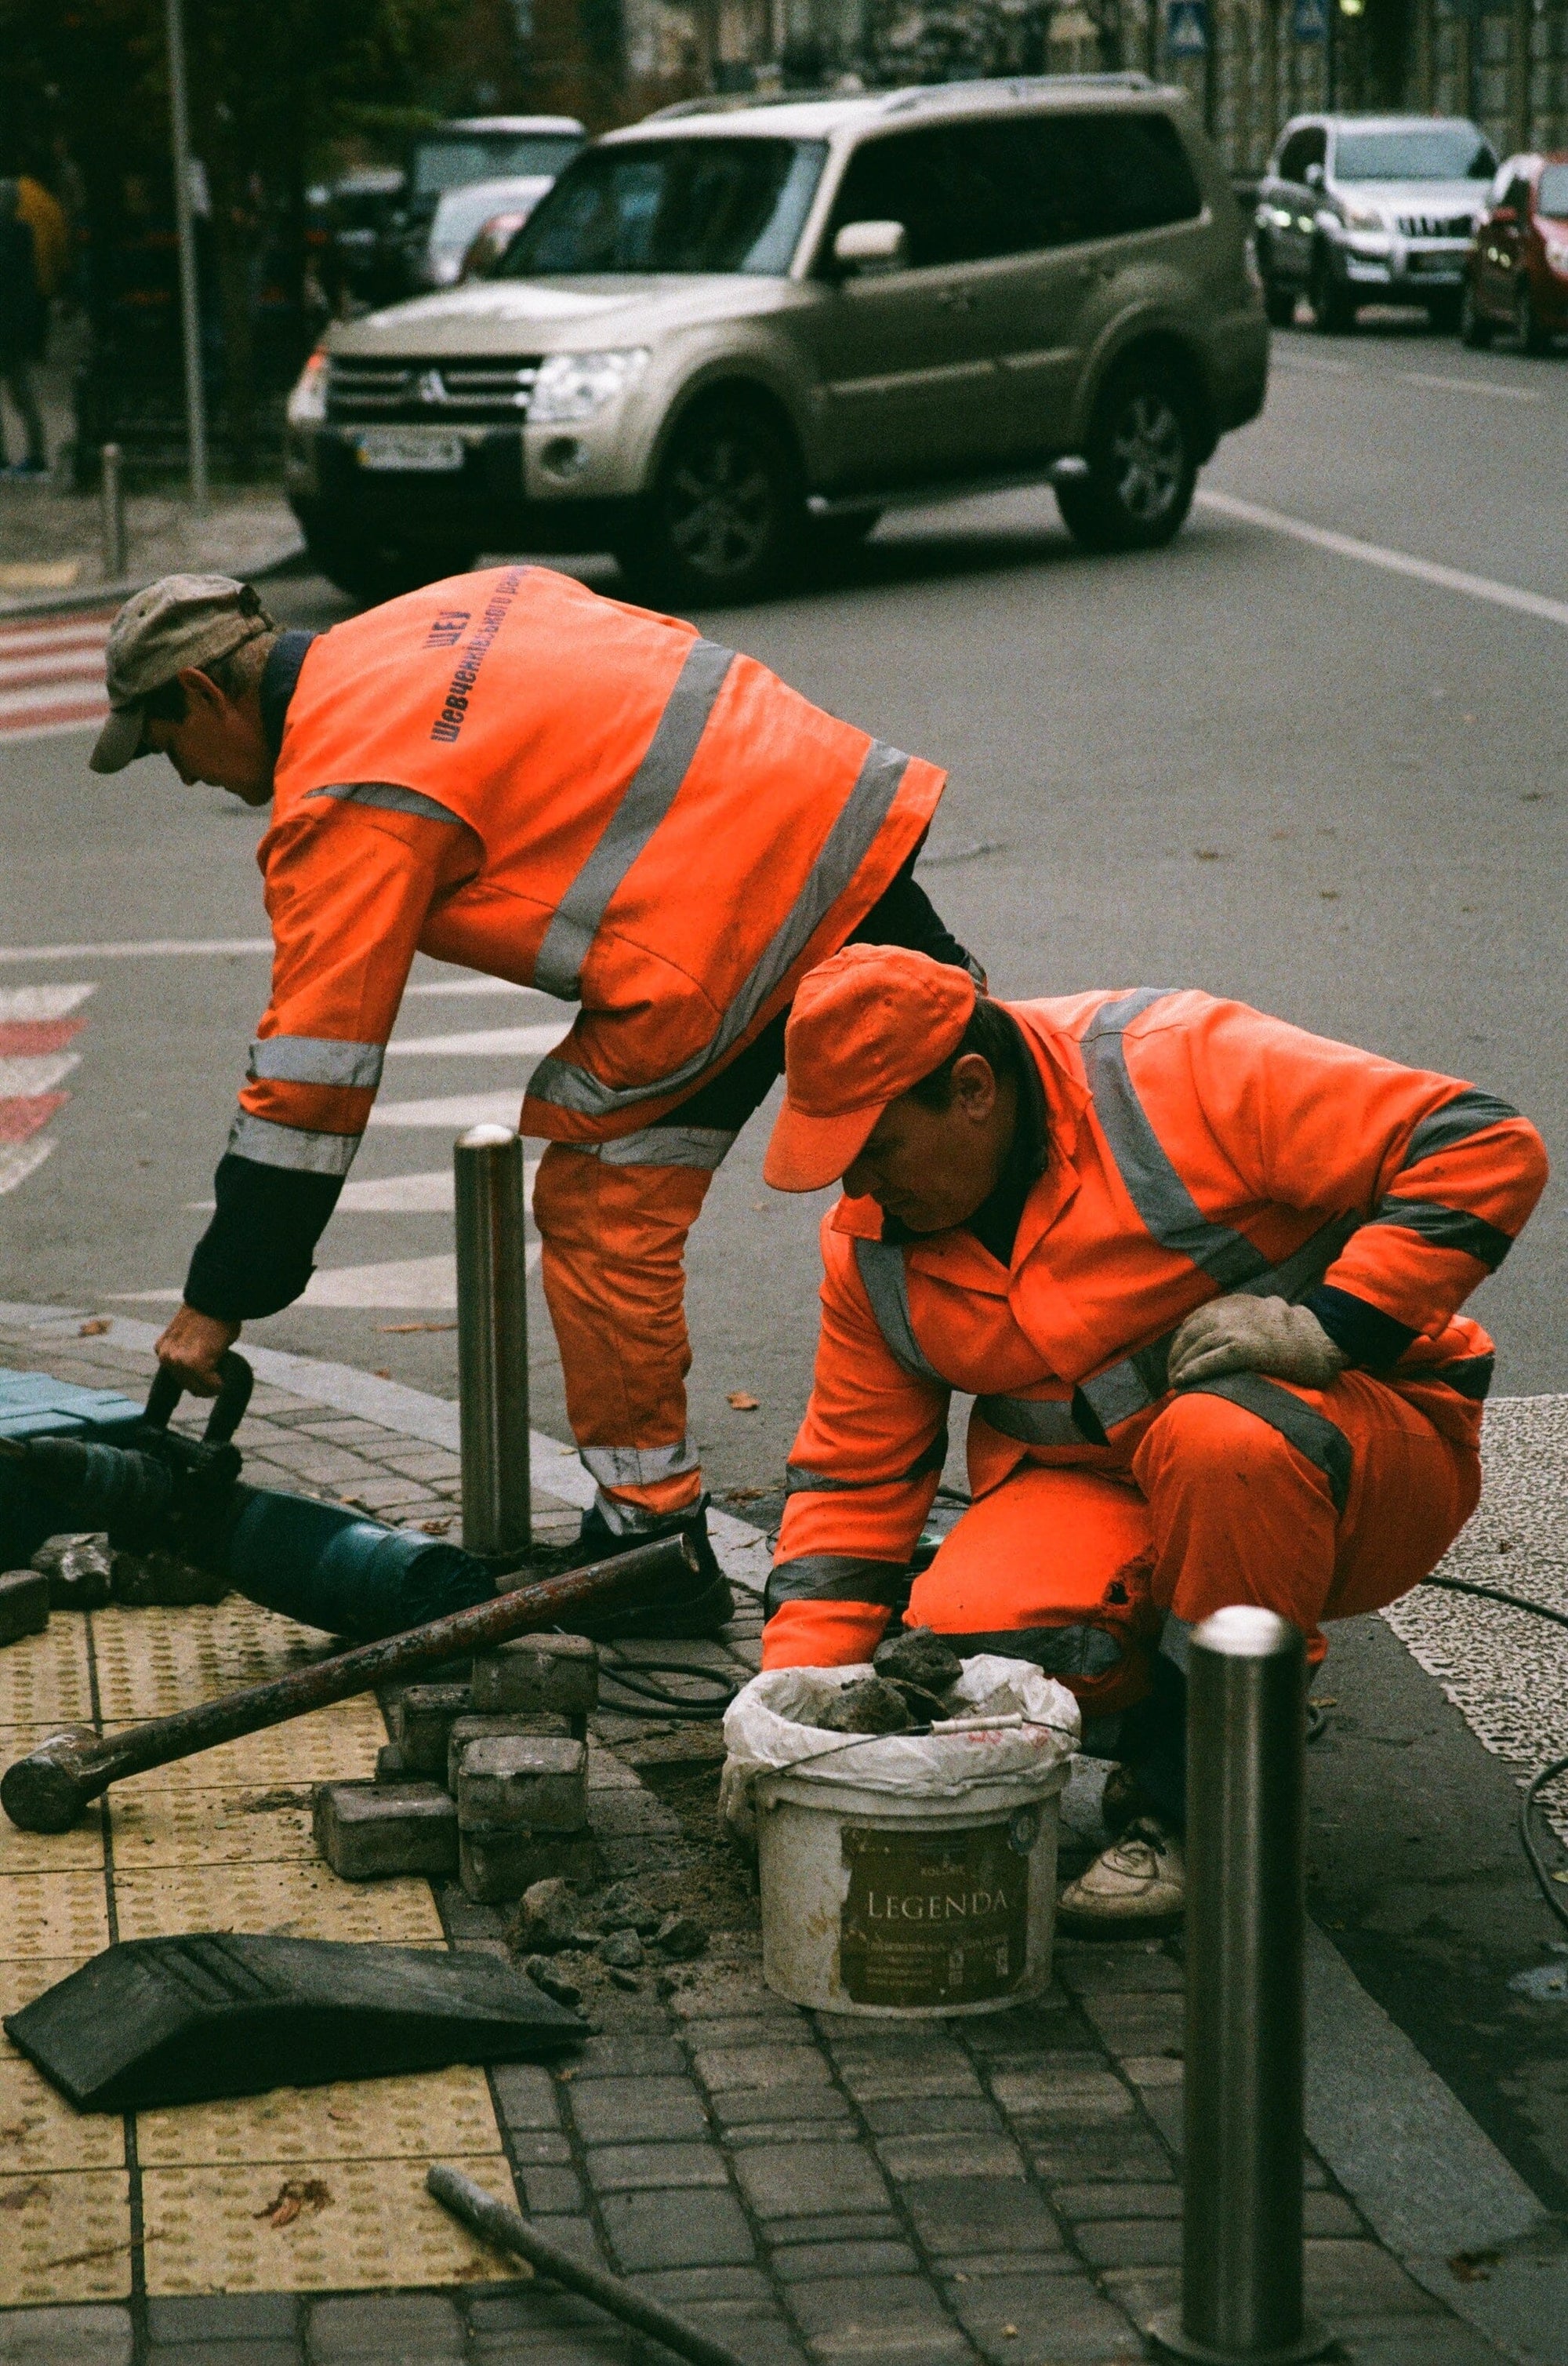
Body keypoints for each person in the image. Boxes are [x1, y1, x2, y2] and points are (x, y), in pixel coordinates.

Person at [89, 572, 979, 1636]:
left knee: (603, 1209)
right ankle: (1076, 1418)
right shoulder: (437, 611)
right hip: (835, 814)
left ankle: (651, 1542)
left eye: (164, 745)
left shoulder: (342, 794)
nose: (184, 776)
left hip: (727, 920)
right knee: (981, 1125)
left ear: (202, 692)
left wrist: (219, 1299)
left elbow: (313, 1079)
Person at [758, 944, 1547, 1932]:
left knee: (1221, 1437)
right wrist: (793, 1710)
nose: (861, 1188)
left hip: (1350, 1454)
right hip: (1115, 1483)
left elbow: (1477, 1141)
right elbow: (851, 1482)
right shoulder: (870, 1245)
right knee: (971, 1639)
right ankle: (1209, 1715)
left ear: (969, 1089)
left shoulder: (1170, 1068)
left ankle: (1204, 1810)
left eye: (876, 1150)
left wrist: (1333, 1326)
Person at [0, 176, 49, 477]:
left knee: (21, 392)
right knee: (21, 392)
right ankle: (35, 453)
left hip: (9, 326)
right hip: (15, 326)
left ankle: (29, 455)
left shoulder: (15, 236)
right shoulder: (23, 233)